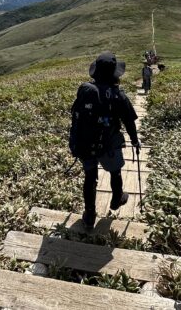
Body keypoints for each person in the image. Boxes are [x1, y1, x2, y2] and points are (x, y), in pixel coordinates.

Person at [73, 52, 141, 229]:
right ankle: (117, 198)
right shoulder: (118, 95)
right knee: (115, 171)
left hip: (86, 143)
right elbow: (129, 121)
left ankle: (89, 214)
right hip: (109, 143)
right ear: (114, 74)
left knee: (90, 177)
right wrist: (135, 141)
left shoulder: (87, 91)